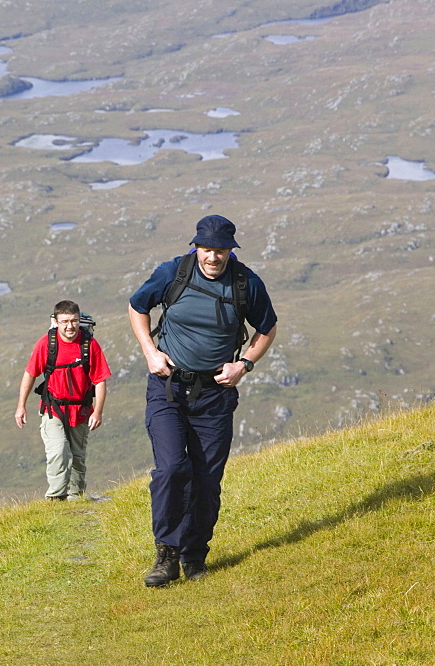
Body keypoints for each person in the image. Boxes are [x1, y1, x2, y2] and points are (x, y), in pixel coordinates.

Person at [128, 214, 277, 586]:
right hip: (169, 389)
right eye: (208, 250)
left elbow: (268, 326)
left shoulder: (246, 282)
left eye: (221, 251)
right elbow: (137, 306)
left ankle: (195, 556)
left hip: (215, 396)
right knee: (171, 469)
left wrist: (244, 364)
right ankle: (167, 554)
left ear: (230, 251)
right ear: (196, 247)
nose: (214, 257)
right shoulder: (173, 273)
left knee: (207, 479)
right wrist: (150, 351)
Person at [15, 300, 111, 501]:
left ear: (79, 320)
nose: (70, 326)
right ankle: (56, 499)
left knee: (77, 456)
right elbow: (30, 374)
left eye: (74, 321)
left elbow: (100, 380)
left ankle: (76, 498)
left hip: (82, 409)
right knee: (58, 451)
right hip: (53, 408)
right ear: (56, 322)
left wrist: (98, 411)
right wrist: (21, 406)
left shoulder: (89, 345)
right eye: (65, 321)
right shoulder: (46, 344)